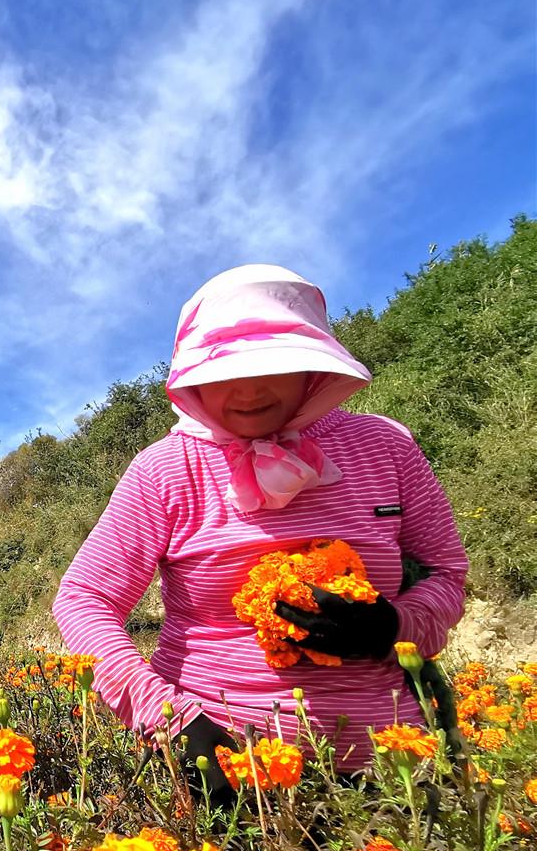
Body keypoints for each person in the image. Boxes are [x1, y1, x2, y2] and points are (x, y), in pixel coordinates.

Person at [52, 266, 468, 800]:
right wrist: (169, 720)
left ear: (311, 366)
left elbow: (445, 573)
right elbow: (84, 599)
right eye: (223, 370)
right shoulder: (164, 469)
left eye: (272, 364)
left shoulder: (384, 446)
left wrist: (394, 625)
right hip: (217, 765)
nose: (247, 390)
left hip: (393, 768)